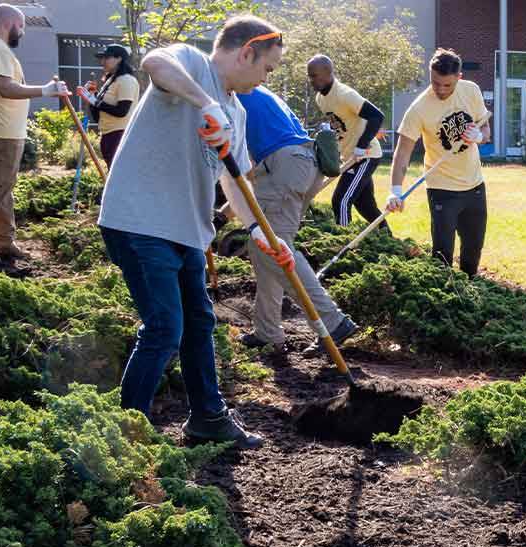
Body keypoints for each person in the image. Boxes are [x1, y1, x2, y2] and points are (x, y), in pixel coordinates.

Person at [98, 15, 292, 449]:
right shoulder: (189, 62)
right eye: (267, 68)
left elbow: (236, 181)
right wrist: (205, 104)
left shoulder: (238, 112)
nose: (265, 79)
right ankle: (124, 441)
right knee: (165, 327)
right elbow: (153, 62)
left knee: (199, 322)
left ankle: (207, 418)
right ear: (246, 52)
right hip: (139, 221)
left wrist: (261, 232)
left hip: (185, 230)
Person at [232, 85, 359, 351]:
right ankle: (267, 331)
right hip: (300, 163)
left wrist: (222, 212)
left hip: (286, 165)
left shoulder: (228, 90)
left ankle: (333, 321)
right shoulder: (256, 91)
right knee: (265, 249)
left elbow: (239, 170)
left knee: (274, 249)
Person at [0, 4, 69, 262]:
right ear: (9, 24)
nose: (23, 32)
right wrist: (46, 91)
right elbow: (6, 88)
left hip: (4, 131)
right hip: (0, 133)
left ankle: (2, 241)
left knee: (3, 187)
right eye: (22, 26)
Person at [388, 49, 489, 275]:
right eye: (436, 84)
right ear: (430, 75)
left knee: (472, 252)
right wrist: (395, 190)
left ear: (459, 78)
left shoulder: (471, 91)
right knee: (442, 255)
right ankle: (443, 298)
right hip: (441, 188)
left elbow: (485, 126)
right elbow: (402, 152)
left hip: (474, 186)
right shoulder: (419, 108)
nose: (441, 91)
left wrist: (480, 137)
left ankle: (468, 298)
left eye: (448, 86)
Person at [308, 55, 388, 230]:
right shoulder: (321, 99)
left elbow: (376, 116)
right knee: (366, 206)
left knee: (341, 201)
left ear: (327, 73)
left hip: (365, 155)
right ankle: (388, 237)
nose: (311, 80)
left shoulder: (345, 95)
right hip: (350, 157)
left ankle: (344, 244)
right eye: (309, 76)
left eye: (314, 75)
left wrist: (361, 145)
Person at [77, 44, 139, 164]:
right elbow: (98, 116)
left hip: (120, 136)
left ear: (119, 58)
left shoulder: (126, 80)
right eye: (101, 58)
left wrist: (94, 100)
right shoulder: (110, 81)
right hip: (107, 135)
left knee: (120, 176)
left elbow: (121, 111)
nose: (102, 61)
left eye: (107, 58)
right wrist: (91, 98)